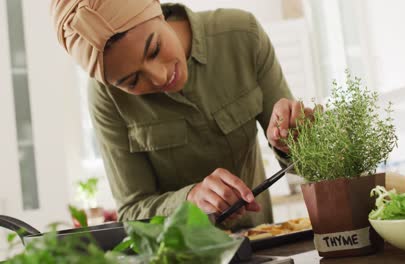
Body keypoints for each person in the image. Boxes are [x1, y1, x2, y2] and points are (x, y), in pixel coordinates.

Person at [51, 0, 314, 229]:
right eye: (132, 81)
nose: (160, 76)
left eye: (154, 49)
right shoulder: (106, 97)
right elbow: (132, 213)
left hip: (268, 245)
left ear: (155, 8)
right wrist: (190, 200)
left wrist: (296, 138)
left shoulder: (242, 35)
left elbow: (309, 166)